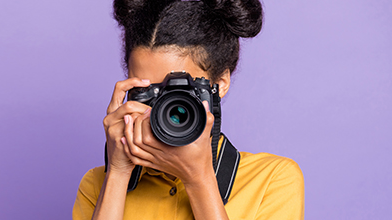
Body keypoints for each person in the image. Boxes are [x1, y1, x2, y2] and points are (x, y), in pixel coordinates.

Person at [72, 0, 304, 219]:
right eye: (150, 90)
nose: (163, 108)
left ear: (220, 84)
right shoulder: (97, 184)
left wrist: (198, 179)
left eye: (178, 94)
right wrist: (117, 173)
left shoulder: (273, 179)